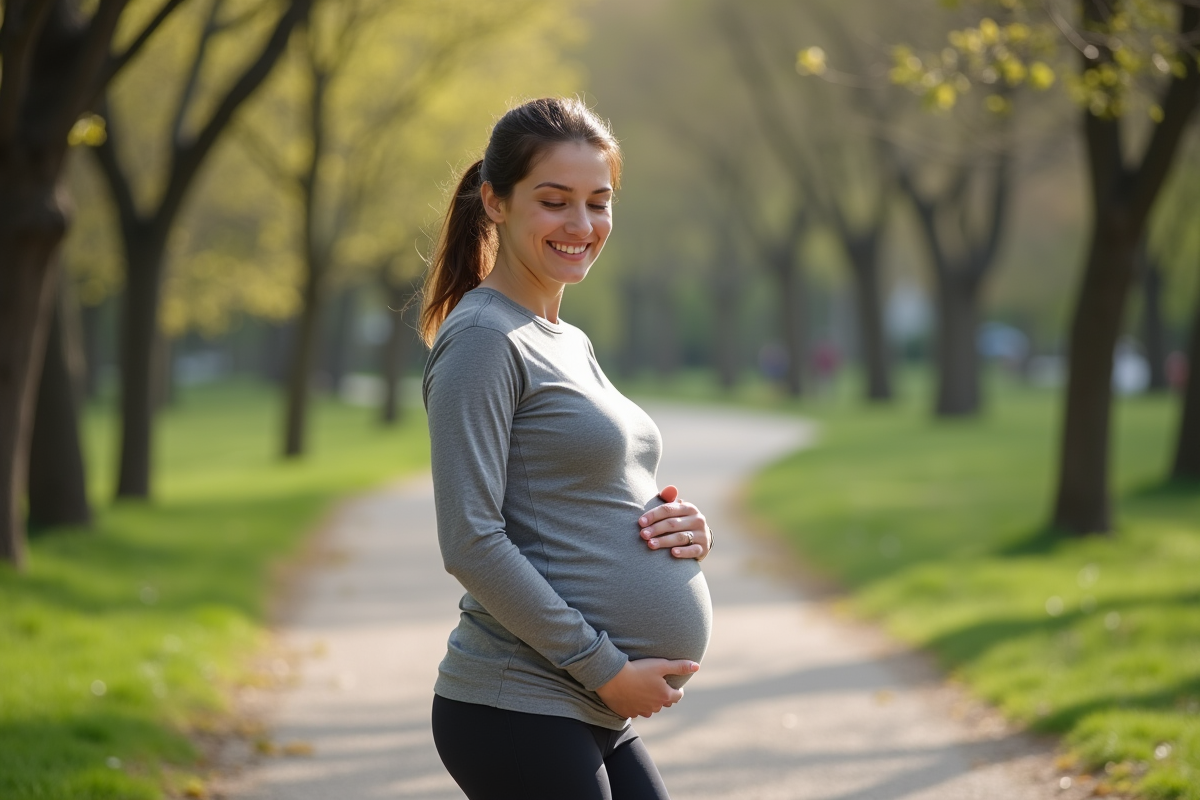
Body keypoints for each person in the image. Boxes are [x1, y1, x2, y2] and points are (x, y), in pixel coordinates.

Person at [419, 97, 714, 800]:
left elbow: (581, 493)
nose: (582, 226)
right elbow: (471, 540)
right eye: (555, 202)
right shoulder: (485, 339)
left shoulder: (563, 337)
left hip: (581, 700)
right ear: (494, 201)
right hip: (517, 699)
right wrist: (605, 666)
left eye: (598, 202)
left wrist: (682, 530)